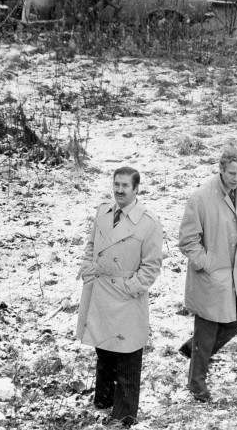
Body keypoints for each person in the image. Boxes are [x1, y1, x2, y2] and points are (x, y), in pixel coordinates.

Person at [76, 167, 163, 428]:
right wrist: (87, 267)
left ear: (136, 189)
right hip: (100, 290)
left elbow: (151, 267)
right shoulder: (102, 212)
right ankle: (103, 399)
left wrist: (129, 288)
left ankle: (124, 414)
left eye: (125, 186)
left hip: (125, 296)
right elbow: (91, 246)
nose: (120, 190)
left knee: (127, 354)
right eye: (116, 185)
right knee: (104, 348)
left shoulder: (149, 222)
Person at [178, 147, 237, 402]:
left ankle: (195, 349)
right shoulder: (201, 197)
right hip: (211, 276)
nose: (236, 178)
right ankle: (196, 383)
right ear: (221, 169)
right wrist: (207, 263)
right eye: (232, 173)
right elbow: (188, 241)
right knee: (207, 327)